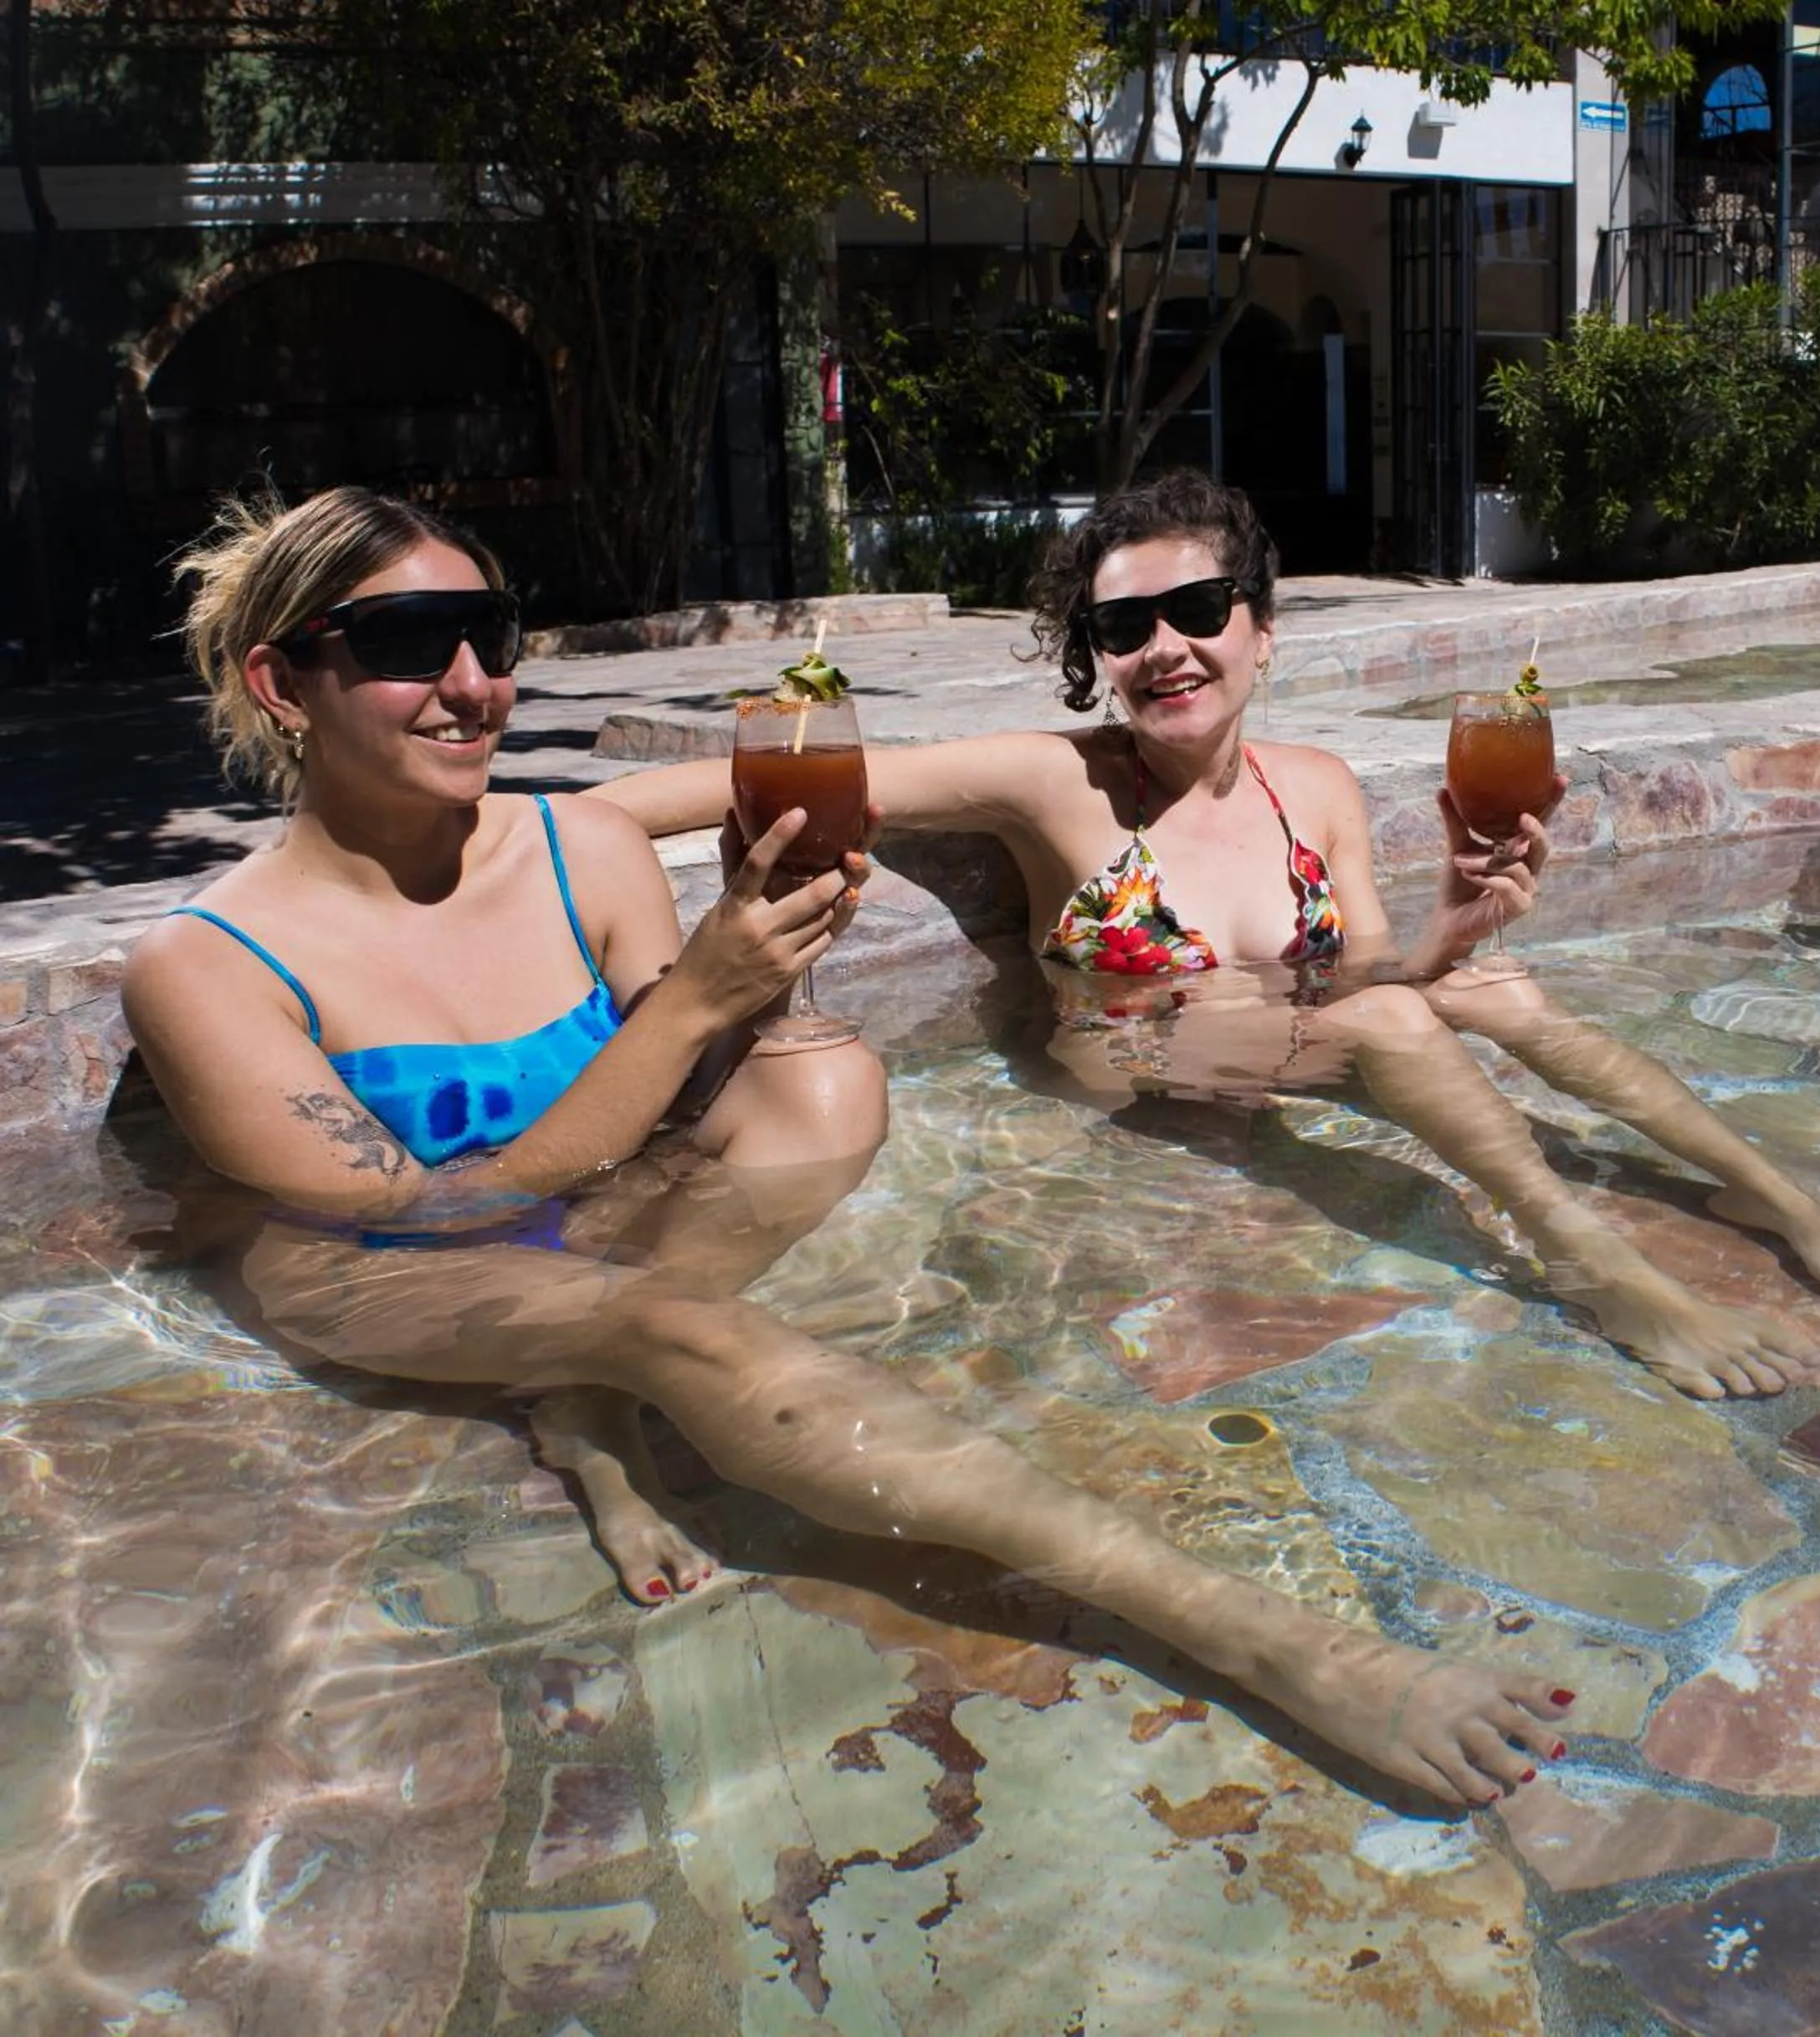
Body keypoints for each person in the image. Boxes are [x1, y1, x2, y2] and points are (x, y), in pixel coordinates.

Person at [120, 485, 1576, 1809]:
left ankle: (586, 1398)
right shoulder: (209, 961)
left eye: (487, 632)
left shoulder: (583, 855)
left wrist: (772, 986)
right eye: (403, 639)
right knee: (666, 1318)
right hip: (384, 1267)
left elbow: (689, 1101)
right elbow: (426, 1214)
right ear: (282, 682)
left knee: (826, 1082)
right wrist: (698, 995)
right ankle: (1276, 1641)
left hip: (581, 1226)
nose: (469, 682)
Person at [596, 469, 1820, 1398]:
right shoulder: (1055, 782)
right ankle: (1597, 1261)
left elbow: (1367, 973)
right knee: (1407, 1015)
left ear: (1261, 632)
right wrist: (570, 826)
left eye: (1199, 611)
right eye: (1122, 628)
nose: (1163, 648)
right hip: (1134, 1065)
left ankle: (1776, 1200)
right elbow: (787, 772)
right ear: (1095, 655)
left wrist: (1457, 926)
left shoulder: (1317, 786)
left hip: (1293, 1037)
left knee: (1502, 992)